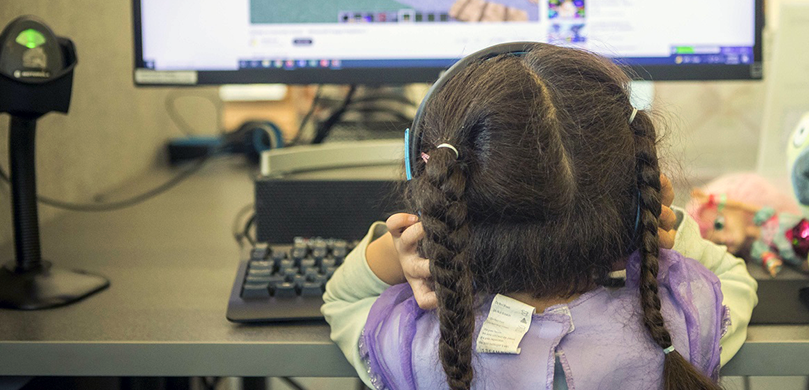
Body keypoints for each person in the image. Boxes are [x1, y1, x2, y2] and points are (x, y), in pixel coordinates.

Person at [322, 43, 757, 390]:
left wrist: (401, 254)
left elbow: (342, 297)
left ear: (439, 199)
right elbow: (732, 278)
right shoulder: (680, 326)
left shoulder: (419, 348)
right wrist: (655, 222)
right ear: (632, 202)